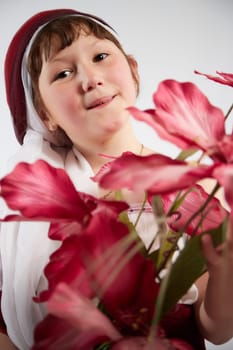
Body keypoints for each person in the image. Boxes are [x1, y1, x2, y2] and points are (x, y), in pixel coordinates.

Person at [0, 8, 233, 350]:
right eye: (63, 72)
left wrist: (227, 271)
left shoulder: (199, 189)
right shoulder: (22, 211)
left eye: (101, 56)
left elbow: (216, 329)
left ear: (133, 70)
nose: (90, 78)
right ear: (44, 113)